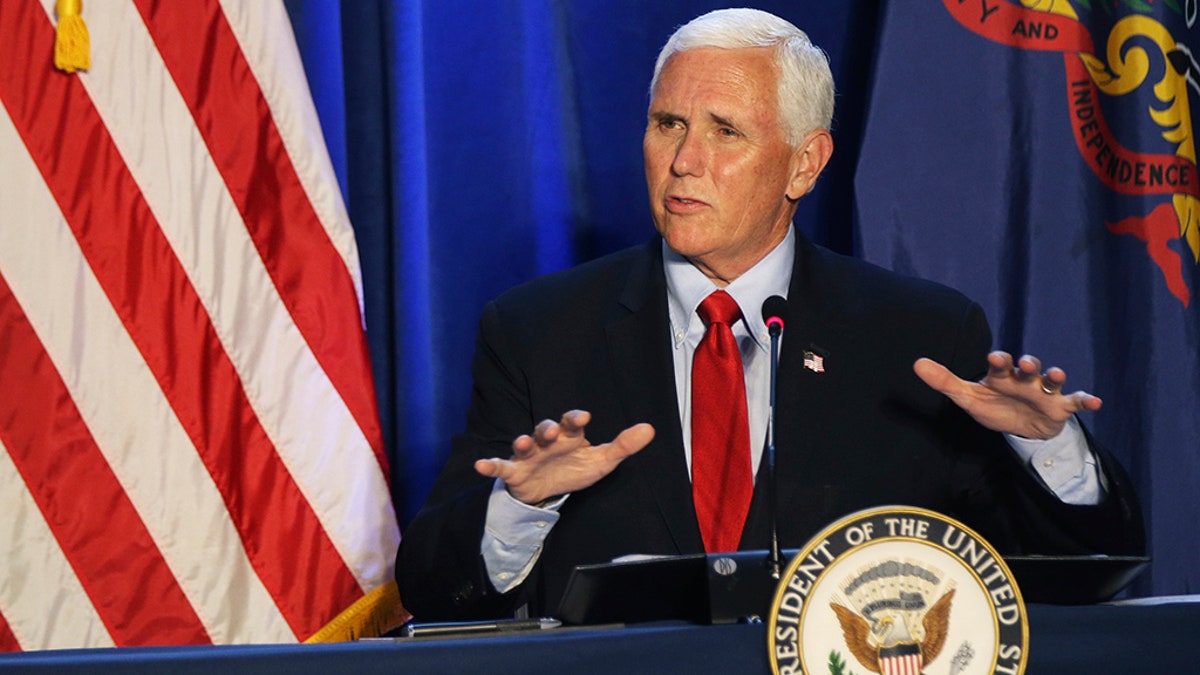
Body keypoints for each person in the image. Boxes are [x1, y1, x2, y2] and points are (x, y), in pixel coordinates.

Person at [395, 8, 1144, 621]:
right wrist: (520, 507)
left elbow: (1076, 580)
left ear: (804, 163)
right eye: (667, 124)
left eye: (726, 131)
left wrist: (1052, 455)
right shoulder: (537, 331)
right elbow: (432, 589)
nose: (684, 161)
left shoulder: (918, 336)